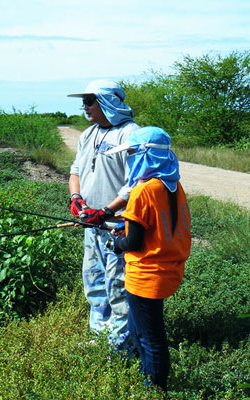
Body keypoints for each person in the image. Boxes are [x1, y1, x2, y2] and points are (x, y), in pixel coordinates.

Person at [104, 126, 191, 391]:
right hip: (167, 271)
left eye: (131, 152)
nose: (128, 158)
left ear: (144, 155)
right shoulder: (172, 185)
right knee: (140, 330)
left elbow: (133, 243)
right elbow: (158, 227)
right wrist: (127, 226)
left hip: (146, 276)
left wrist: (115, 242)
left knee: (151, 338)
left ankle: (155, 390)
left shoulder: (142, 192)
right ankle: (146, 379)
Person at [67, 80, 140, 351]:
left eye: (89, 101)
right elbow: (75, 170)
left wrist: (108, 210)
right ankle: (99, 339)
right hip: (91, 224)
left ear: (108, 101)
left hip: (118, 226)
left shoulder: (131, 134)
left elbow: (137, 182)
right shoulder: (88, 134)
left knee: (118, 286)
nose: (84, 106)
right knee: (95, 282)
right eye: (84, 101)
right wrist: (76, 199)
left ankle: (121, 347)